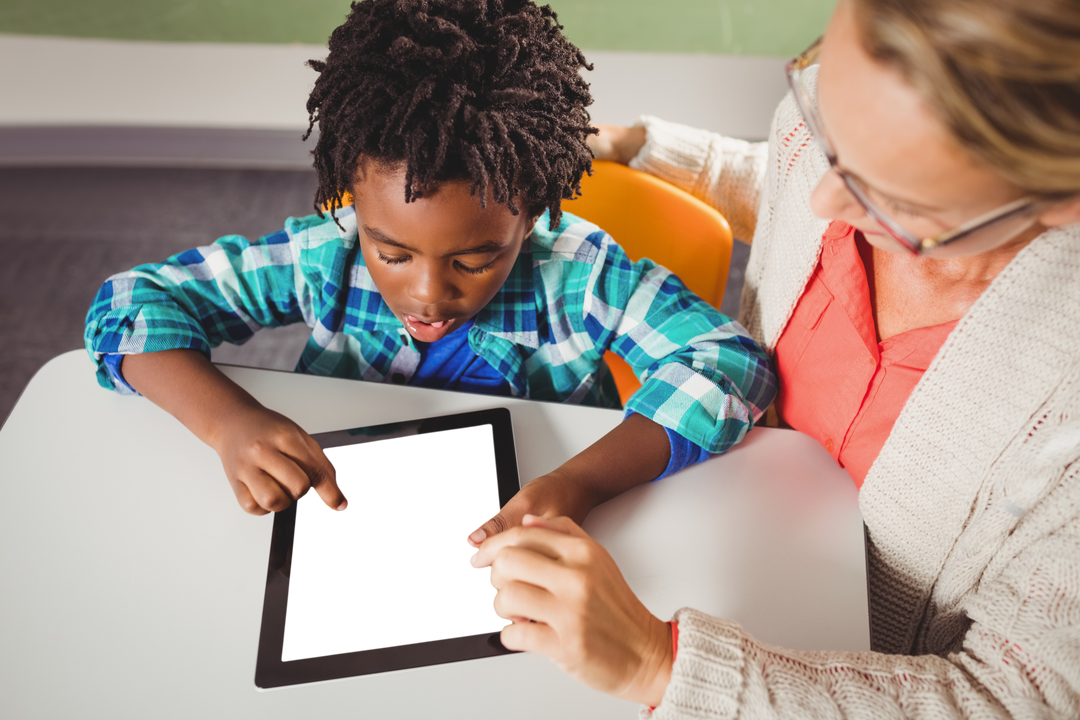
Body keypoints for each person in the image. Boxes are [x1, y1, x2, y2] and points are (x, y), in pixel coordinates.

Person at [468, 0, 1080, 716]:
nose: (824, 195)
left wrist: (658, 667)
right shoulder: (823, 156)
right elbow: (795, 180)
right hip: (715, 534)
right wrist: (641, 145)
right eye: (825, 114)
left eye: (890, 201)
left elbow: (1019, 696)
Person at [82, 0, 775, 523]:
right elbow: (132, 303)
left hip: (539, 521)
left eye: (475, 260)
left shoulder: (582, 275)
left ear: (531, 216)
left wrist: (577, 485)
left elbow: (729, 364)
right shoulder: (326, 256)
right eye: (391, 251)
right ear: (351, 196)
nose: (426, 293)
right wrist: (228, 422)